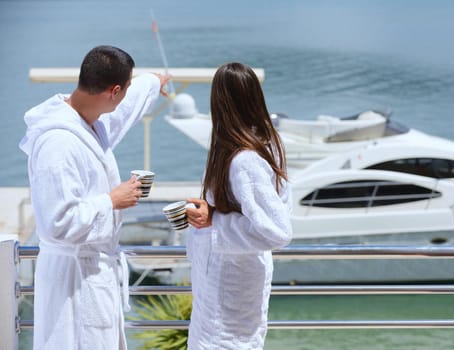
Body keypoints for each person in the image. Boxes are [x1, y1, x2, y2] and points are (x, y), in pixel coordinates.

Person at [19, 45, 170, 349]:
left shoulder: (88, 123)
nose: (126, 96)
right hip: (73, 284)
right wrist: (111, 200)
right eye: (125, 89)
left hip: (92, 277)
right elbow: (57, 224)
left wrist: (153, 81)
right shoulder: (58, 144)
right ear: (113, 91)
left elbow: (124, 113)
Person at [185, 62, 293, 350]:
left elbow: (277, 231)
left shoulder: (245, 161)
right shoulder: (265, 143)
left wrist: (214, 221)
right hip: (229, 279)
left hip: (230, 285)